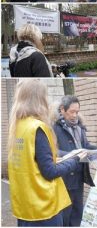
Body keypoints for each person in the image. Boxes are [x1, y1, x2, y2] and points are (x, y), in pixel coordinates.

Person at [8, 80, 84, 226]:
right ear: (39, 99)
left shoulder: (17, 126)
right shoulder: (38, 127)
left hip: (25, 206)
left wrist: (57, 157)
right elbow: (49, 171)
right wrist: (75, 160)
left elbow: (31, 161)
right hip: (43, 208)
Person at [53, 95, 97, 226]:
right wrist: (73, 155)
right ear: (62, 110)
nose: (75, 115)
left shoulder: (80, 127)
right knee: (65, 214)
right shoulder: (54, 127)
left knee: (78, 212)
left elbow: (85, 145)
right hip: (65, 177)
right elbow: (52, 152)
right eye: (72, 112)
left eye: (77, 112)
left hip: (79, 176)